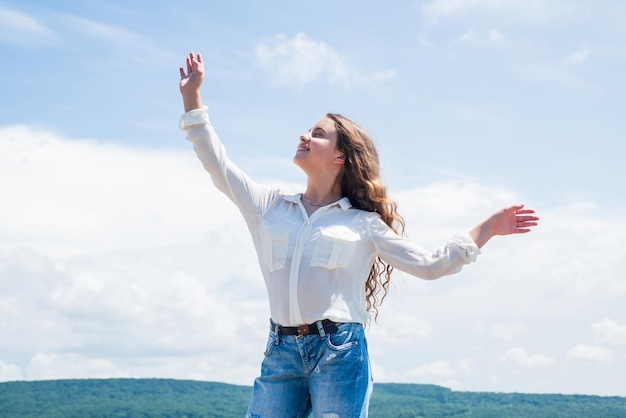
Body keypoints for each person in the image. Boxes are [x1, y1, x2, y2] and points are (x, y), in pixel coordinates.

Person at [178, 52, 539, 418]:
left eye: (318, 134)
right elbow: (217, 163)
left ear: (340, 158)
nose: (304, 135)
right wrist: (193, 98)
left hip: (340, 352)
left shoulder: (363, 224)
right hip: (280, 352)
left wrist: (487, 229)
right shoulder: (269, 206)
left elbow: (431, 265)